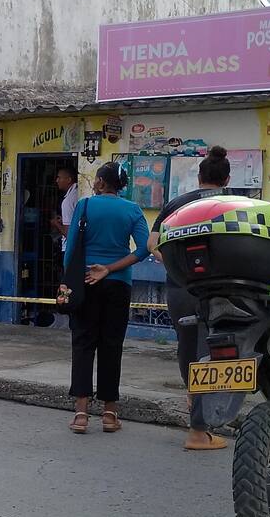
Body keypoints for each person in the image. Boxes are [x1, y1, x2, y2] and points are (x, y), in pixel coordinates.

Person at [147, 146, 232, 450]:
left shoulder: (176, 205)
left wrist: (174, 265)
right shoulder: (233, 205)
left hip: (180, 288)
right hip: (219, 290)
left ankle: (194, 399)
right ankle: (198, 429)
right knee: (213, 351)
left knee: (187, 347)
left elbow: (152, 244)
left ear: (199, 176)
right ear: (227, 178)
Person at [64, 161, 150, 434]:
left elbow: (72, 248)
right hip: (118, 284)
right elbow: (145, 249)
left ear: (100, 182)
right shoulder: (133, 210)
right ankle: (110, 414)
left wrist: (68, 282)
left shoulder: (86, 206)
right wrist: (111, 268)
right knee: (112, 345)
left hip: (85, 281)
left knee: (83, 343)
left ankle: (81, 413)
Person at [49, 167, 78, 253]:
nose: (57, 181)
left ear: (69, 179)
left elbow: (68, 234)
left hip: (69, 248)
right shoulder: (77, 193)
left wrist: (56, 223)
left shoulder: (68, 201)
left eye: (59, 177)